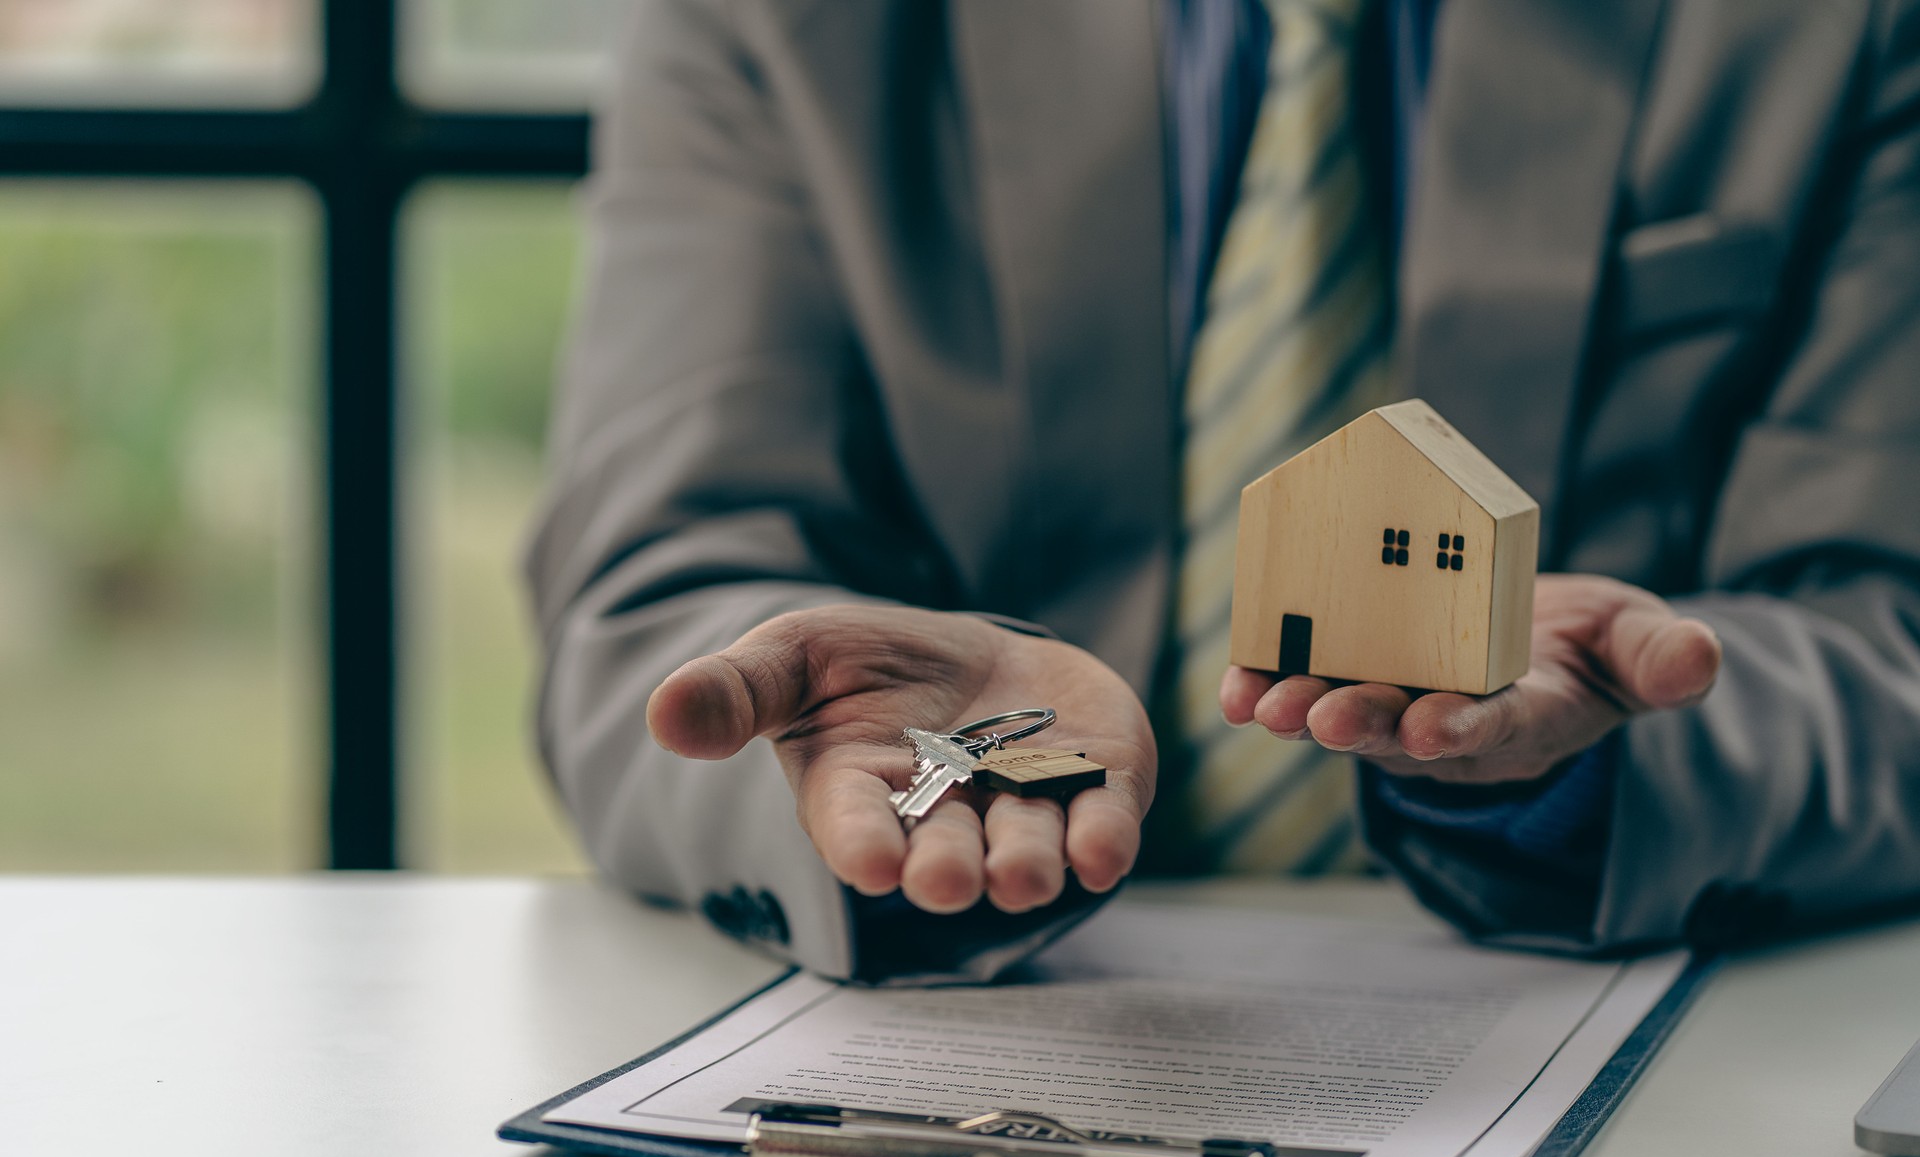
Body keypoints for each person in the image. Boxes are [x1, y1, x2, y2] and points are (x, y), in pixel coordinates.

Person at [525, 0, 1920, 983]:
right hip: (1004, 1023)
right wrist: (857, 762)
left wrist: (1577, 777)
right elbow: (657, 589)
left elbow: (1885, 619)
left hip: (1634, 1032)